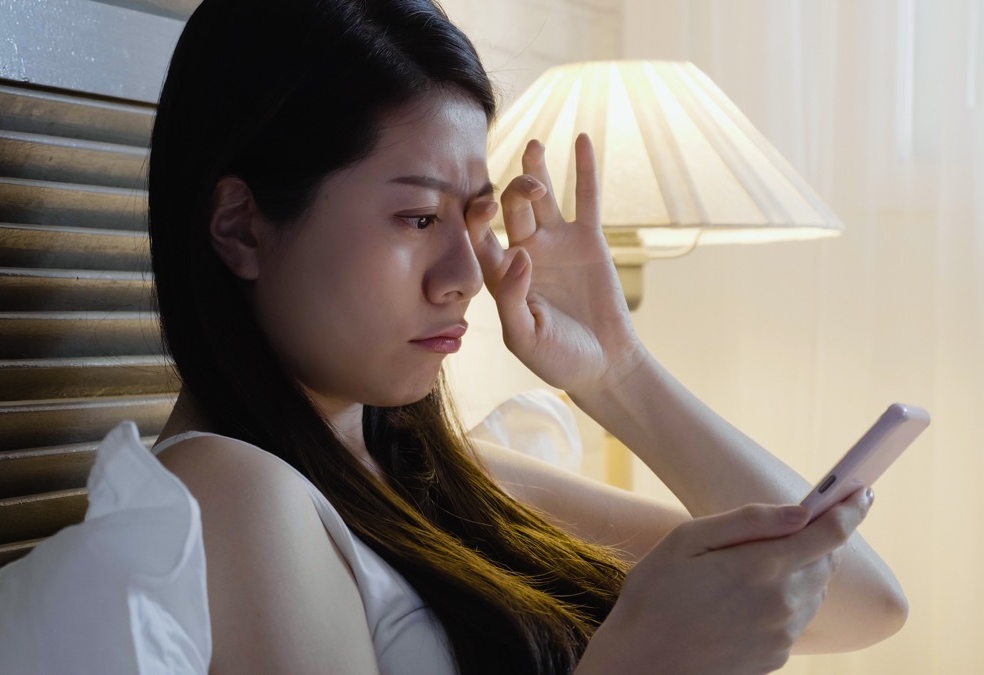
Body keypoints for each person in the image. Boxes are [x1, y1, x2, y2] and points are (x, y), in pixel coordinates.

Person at [146, 0, 908, 673]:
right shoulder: (229, 490)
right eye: (418, 218)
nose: (464, 274)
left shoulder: (439, 479)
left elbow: (859, 599)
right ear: (241, 228)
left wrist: (619, 371)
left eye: (473, 217)